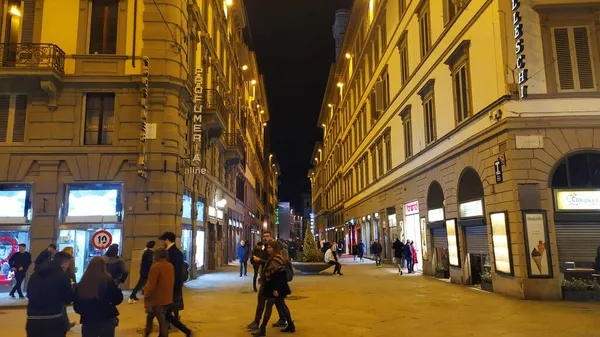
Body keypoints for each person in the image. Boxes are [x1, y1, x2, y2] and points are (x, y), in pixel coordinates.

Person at [26, 251, 74, 337]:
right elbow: (68, 299)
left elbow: (29, 293)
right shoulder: (62, 275)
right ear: (64, 264)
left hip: (32, 320)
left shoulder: (35, 274)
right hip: (53, 319)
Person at [252, 241, 295, 336]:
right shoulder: (276, 257)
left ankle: (262, 329)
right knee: (282, 305)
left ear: (274, 248)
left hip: (275, 286)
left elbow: (276, 275)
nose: (268, 249)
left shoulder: (277, 259)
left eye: (270, 247)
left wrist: (275, 289)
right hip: (277, 285)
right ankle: (291, 325)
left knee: (269, 306)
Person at [73, 257, 123, 337]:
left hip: (88, 321)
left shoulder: (81, 284)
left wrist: (85, 312)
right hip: (106, 319)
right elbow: (118, 299)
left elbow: (77, 307)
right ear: (104, 267)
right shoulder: (108, 281)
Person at [247, 231, 286, 331]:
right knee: (278, 302)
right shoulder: (264, 248)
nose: (265, 238)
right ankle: (285, 320)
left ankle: (259, 324)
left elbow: (271, 263)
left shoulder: (274, 248)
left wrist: (259, 260)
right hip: (267, 277)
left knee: (265, 301)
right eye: (264, 236)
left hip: (272, 279)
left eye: (267, 236)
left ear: (271, 237)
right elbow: (265, 263)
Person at [159, 231, 193, 336]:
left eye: (163, 241)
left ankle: (185, 331)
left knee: (165, 311)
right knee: (168, 310)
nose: (161, 243)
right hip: (174, 284)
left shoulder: (170, 253)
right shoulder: (176, 252)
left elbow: (171, 271)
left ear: (167, 240)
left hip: (171, 285)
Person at [143, 248, 174, 337]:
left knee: (160, 322)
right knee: (161, 321)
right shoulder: (170, 266)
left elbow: (151, 284)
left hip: (156, 300)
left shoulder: (156, 267)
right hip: (167, 299)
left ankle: (147, 334)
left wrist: (146, 293)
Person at [60, 246, 77, 331]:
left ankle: (66, 324)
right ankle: (66, 325)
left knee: (63, 307)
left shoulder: (60, 259)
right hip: (68, 282)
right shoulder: (70, 260)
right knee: (63, 306)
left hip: (64, 283)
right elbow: (71, 272)